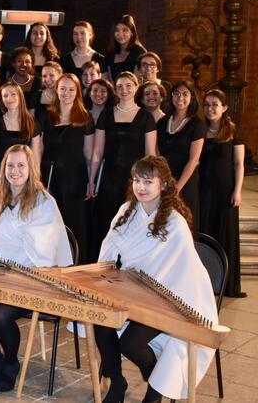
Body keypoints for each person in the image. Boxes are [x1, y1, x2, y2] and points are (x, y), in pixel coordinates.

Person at [94, 155, 217, 403]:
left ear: (163, 185)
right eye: (137, 180)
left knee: (130, 344)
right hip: (133, 294)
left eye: (148, 182)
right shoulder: (125, 212)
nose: (141, 187)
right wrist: (101, 280)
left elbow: (183, 274)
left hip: (170, 301)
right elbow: (107, 253)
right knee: (101, 322)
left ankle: (156, 387)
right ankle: (117, 382)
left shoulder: (175, 223)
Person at [0, 144, 72, 391]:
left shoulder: (45, 202)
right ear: (3, 169)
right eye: (10, 165)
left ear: (31, 168)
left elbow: (46, 248)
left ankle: (11, 363)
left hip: (31, 278)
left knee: (2, 315)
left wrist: (14, 248)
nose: (15, 171)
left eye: (21, 165)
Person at [88, 71, 157, 259]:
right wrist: (92, 180)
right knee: (106, 223)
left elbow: (150, 155)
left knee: (131, 224)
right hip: (109, 179)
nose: (124, 90)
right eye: (120, 86)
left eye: (128, 86)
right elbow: (97, 152)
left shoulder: (146, 118)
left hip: (135, 182)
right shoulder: (106, 115)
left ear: (136, 88)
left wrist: (151, 184)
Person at [40, 74, 95, 263]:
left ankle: (74, 263)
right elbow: (40, 149)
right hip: (50, 175)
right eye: (62, 88)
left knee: (74, 221)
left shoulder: (85, 118)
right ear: (56, 90)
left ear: (78, 92)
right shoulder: (47, 115)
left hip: (75, 176)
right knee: (50, 220)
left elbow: (89, 153)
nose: (66, 93)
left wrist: (91, 180)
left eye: (71, 89)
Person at [200, 89, 245, 297]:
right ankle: (206, 280)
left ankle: (226, 284)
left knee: (225, 233)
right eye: (207, 104)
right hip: (203, 189)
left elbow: (238, 164)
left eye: (215, 104)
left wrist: (237, 190)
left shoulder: (233, 131)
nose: (210, 108)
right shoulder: (200, 129)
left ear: (224, 107)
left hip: (225, 190)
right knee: (205, 232)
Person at [156, 81, 204, 232]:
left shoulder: (197, 124)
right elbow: (157, 151)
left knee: (184, 225)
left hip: (185, 182)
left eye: (185, 94)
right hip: (164, 180)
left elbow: (194, 160)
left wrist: (177, 188)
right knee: (164, 224)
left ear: (192, 98)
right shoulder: (163, 122)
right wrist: (164, 179)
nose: (180, 98)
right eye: (176, 94)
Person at [0, 81, 43, 185]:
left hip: (24, 177)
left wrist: (36, 182)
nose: (9, 98)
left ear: (20, 97)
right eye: (5, 95)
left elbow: (36, 157)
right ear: (2, 99)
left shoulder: (32, 123)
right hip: (1, 177)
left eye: (13, 94)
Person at [105, 15, 147, 81]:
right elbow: (110, 81)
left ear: (132, 32)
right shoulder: (110, 53)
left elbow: (139, 81)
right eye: (117, 30)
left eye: (125, 30)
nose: (120, 34)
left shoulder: (140, 52)